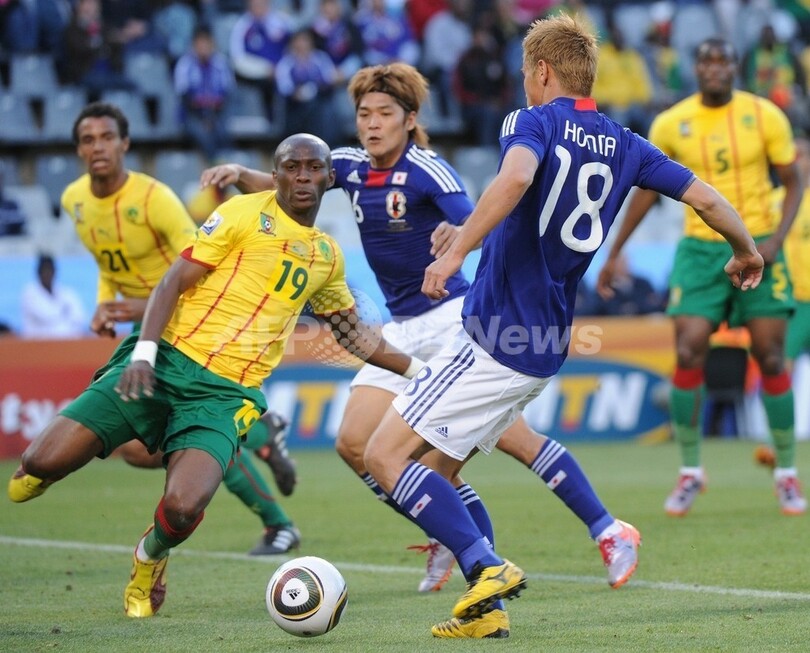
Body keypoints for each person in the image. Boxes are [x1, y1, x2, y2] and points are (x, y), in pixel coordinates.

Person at [360, 14, 763, 637]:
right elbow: (707, 199)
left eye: (527, 73)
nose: (525, 83)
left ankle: (484, 565)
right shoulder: (627, 142)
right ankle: (484, 613)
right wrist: (747, 250)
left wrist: (456, 250)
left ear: (541, 72)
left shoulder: (532, 121)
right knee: (438, 473)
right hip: (546, 344)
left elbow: (518, 176)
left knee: (382, 454)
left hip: (495, 334)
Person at [202, 61, 642, 621]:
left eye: (385, 113)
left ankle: (606, 529)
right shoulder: (350, 167)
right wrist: (240, 171)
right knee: (355, 444)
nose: (372, 124)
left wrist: (458, 235)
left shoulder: (429, 169)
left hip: (455, 321)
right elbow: (292, 181)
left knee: (509, 442)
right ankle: (454, 541)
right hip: (401, 328)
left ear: (410, 120)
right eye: (364, 114)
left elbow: (492, 217)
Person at [7, 133, 422, 618]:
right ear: (277, 172)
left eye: (314, 169)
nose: (303, 177)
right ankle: (136, 449)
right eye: (292, 167)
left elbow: (356, 335)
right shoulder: (244, 213)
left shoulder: (327, 256)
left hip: (225, 395)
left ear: (330, 179)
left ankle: (149, 557)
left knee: (183, 507)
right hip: (165, 360)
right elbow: (172, 281)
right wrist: (142, 354)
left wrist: (420, 371)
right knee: (38, 464)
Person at [43, 101, 302, 557]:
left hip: (185, 330)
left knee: (196, 440)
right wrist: (108, 301)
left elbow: (193, 272)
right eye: (88, 139)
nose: (98, 147)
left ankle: (277, 521)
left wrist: (138, 308)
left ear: (125, 144)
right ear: (77, 150)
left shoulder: (156, 199)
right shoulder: (74, 201)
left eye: (107, 137)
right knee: (138, 452)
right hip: (146, 331)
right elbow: (108, 261)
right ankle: (262, 435)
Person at [597, 37, 807, 517]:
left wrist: (773, 241)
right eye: (706, 60)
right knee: (689, 348)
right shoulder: (671, 123)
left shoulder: (765, 116)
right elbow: (648, 192)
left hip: (758, 243)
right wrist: (616, 250)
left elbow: (793, 179)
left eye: (723, 59)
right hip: (698, 252)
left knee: (772, 357)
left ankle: (787, 474)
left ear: (735, 65)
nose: (714, 68)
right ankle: (691, 470)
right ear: (695, 68)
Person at [173, 24, 234, 163]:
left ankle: (228, 166)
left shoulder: (221, 63)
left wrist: (212, 115)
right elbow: (185, 97)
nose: (203, 47)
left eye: (206, 43)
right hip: (192, 115)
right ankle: (217, 165)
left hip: (217, 113)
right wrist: (204, 116)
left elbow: (227, 93)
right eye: (199, 43)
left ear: (212, 43)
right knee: (203, 133)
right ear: (193, 44)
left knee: (222, 131)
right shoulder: (185, 64)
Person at [20, 253, 88, 339]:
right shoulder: (30, 293)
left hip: (66, 341)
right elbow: (46, 315)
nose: (47, 274)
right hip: (37, 343)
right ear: (38, 273)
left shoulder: (66, 293)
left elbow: (80, 318)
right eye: (44, 271)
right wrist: (64, 312)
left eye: (50, 270)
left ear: (54, 271)